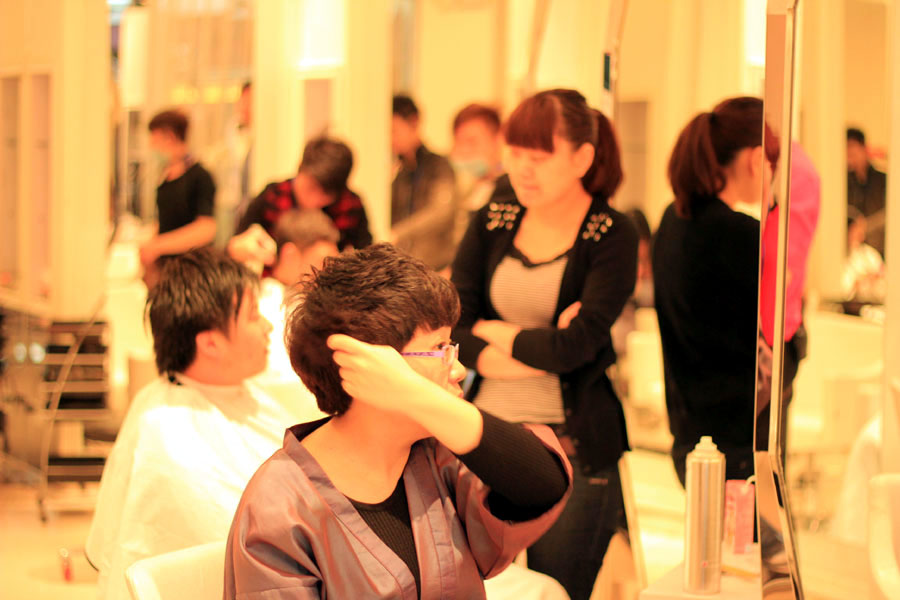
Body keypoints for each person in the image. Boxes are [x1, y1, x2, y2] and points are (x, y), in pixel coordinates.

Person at [224, 244, 572, 599]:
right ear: (366, 364)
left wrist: (419, 395)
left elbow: (545, 483)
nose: (457, 369)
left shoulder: (436, 458)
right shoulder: (280, 508)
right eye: (439, 349)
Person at [451, 88, 639, 600]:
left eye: (540, 157)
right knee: (472, 586)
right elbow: (453, 320)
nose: (523, 170)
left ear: (582, 157)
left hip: (571, 446)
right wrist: (533, 346)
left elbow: (578, 347)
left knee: (557, 590)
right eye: (515, 154)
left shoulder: (610, 234)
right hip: (483, 436)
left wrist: (497, 330)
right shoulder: (496, 215)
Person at [85, 249, 309, 600]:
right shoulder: (166, 431)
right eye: (253, 316)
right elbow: (229, 536)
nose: (267, 326)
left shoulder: (241, 393)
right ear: (210, 343)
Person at [652, 96, 778, 485]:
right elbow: (780, 330)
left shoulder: (671, 220)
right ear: (756, 160)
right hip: (736, 446)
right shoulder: (742, 235)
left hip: (688, 436)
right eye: (773, 162)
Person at [235, 136, 372, 255]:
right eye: (310, 188)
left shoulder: (350, 205)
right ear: (300, 168)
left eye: (325, 195)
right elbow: (237, 243)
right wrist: (241, 248)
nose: (314, 201)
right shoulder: (274, 195)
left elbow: (367, 254)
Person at [139, 110, 217, 286]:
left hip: (191, 273)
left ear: (170, 137)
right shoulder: (165, 176)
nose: (151, 146)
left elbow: (206, 229)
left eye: (155, 139)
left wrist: (159, 245)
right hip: (165, 271)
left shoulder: (200, 177)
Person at [390, 94, 457, 270]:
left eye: (394, 131)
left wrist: (399, 232)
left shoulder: (439, 165)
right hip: (405, 266)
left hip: (435, 267)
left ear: (414, 123)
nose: (391, 139)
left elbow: (441, 212)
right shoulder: (399, 170)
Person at [847, 127, 886, 257]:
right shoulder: (845, 182)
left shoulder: (882, 180)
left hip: (881, 250)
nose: (850, 156)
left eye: (853, 149)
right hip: (854, 253)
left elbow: (890, 214)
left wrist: (866, 227)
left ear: (863, 148)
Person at [841, 207, 885, 303]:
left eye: (862, 231)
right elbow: (843, 289)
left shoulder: (868, 254)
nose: (861, 236)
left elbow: (882, 275)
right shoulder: (838, 257)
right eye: (857, 231)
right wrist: (860, 281)